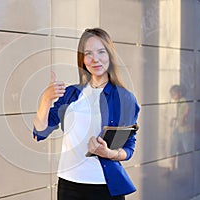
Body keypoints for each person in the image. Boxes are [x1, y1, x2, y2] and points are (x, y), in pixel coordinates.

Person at [33, 28, 140, 200]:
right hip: (68, 184)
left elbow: (128, 148)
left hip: (104, 187)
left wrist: (109, 153)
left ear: (110, 56)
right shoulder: (70, 94)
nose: (95, 59)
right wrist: (45, 100)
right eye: (88, 53)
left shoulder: (124, 98)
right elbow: (40, 132)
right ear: (82, 59)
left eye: (101, 52)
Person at [169, 84, 191, 171]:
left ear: (180, 93)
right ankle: (171, 168)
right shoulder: (179, 102)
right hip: (179, 130)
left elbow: (187, 109)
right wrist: (175, 119)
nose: (172, 96)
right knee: (173, 148)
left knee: (187, 151)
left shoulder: (183, 101)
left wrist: (182, 118)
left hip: (185, 130)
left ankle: (188, 171)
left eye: (174, 94)